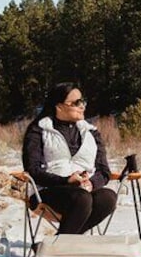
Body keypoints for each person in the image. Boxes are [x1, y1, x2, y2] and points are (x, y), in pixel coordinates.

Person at [22, 83, 117, 235]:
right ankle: (61, 249)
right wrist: (66, 181)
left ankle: (59, 244)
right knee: (82, 199)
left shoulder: (91, 132)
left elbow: (104, 171)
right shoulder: (39, 130)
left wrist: (91, 184)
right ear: (59, 106)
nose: (82, 106)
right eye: (76, 103)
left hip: (84, 191)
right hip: (48, 192)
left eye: (83, 101)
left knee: (108, 197)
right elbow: (32, 170)